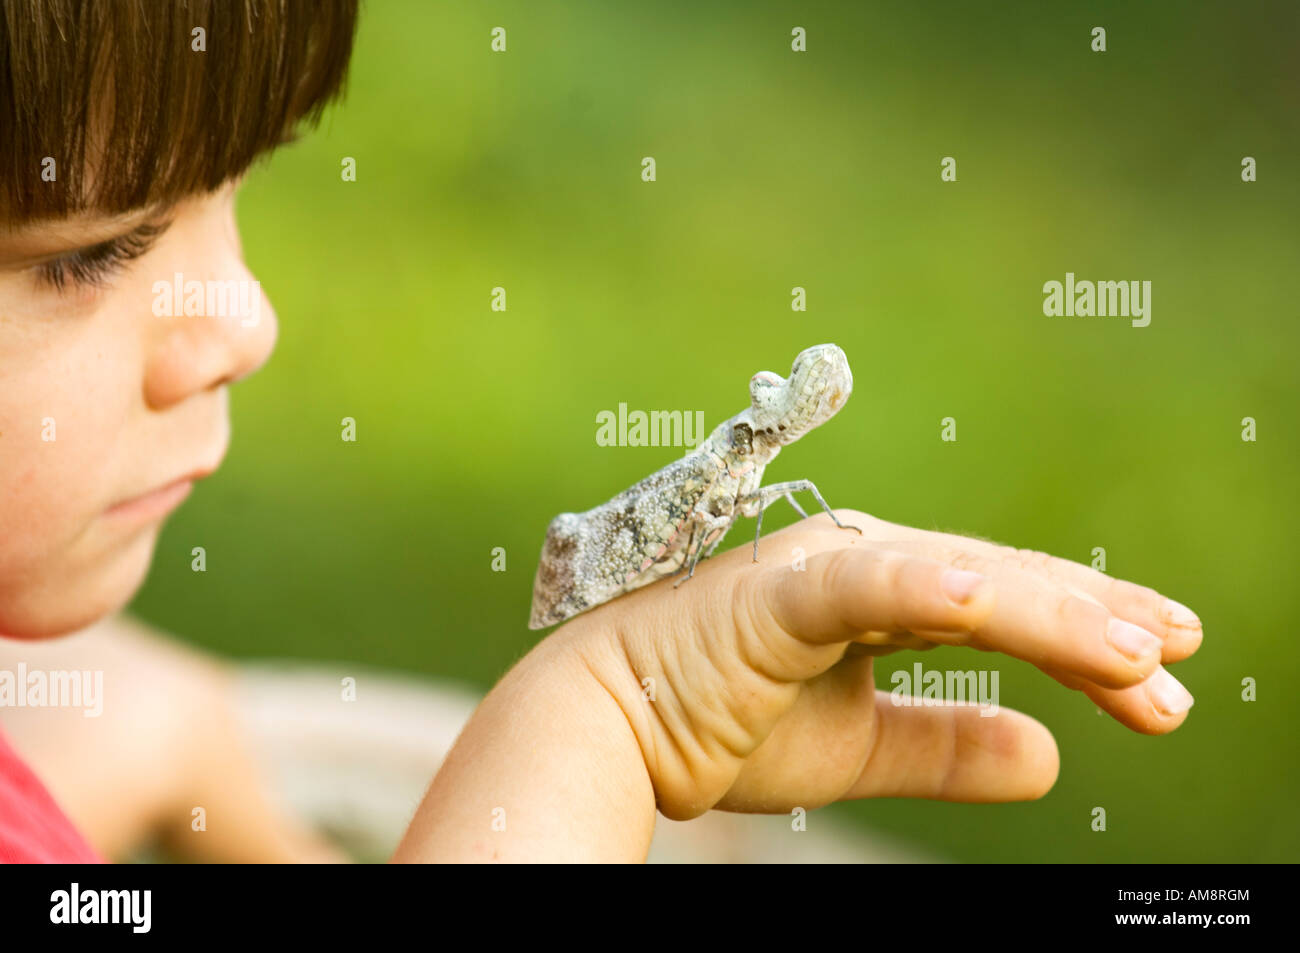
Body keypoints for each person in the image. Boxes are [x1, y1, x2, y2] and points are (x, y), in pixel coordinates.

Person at [0, 0, 1200, 864]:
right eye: (90, 250)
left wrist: (136, 713)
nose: (246, 320)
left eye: (242, 182)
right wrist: (619, 715)